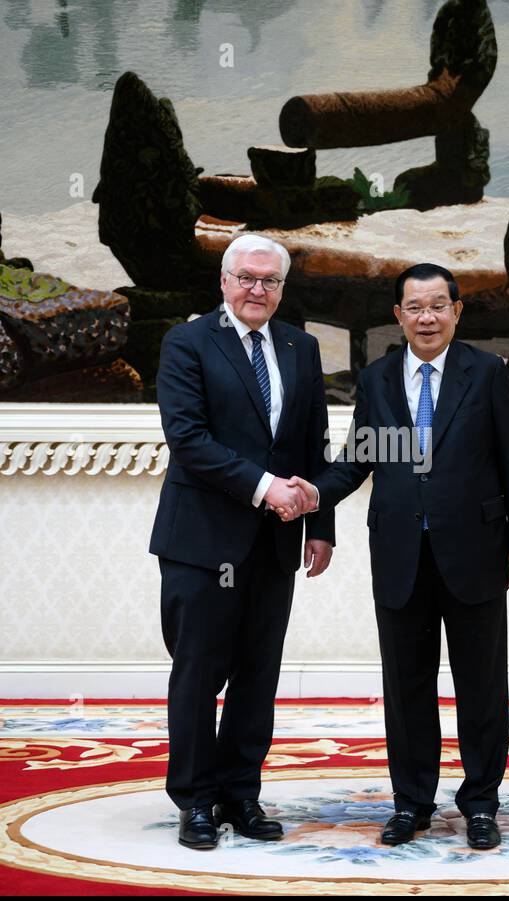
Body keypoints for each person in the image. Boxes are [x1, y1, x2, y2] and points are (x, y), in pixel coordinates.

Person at [290, 262, 509, 850]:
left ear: (456, 311)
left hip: (475, 551)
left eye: (437, 306)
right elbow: (359, 458)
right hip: (400, 551)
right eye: (414, 307)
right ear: (398, 315)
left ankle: (480, 803)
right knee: (405, 687)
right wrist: (313, 493)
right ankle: (412, 803)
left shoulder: (486, 373)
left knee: (481, 684)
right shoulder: (376, 379)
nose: (426, 317)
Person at [149, 233, 334, 850]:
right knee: (200, 674)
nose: (258, 290)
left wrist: (320, 524)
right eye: (247, 278)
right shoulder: (187, 342)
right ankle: (196, 801)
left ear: (283, 288)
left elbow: (314, 443)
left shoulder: (301, 348)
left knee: (258, 675)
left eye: (271, 281)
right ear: (224, 282)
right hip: (202, 543)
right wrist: (263, 488)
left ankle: (241, 794)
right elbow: (189, 439)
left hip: (276, 545)